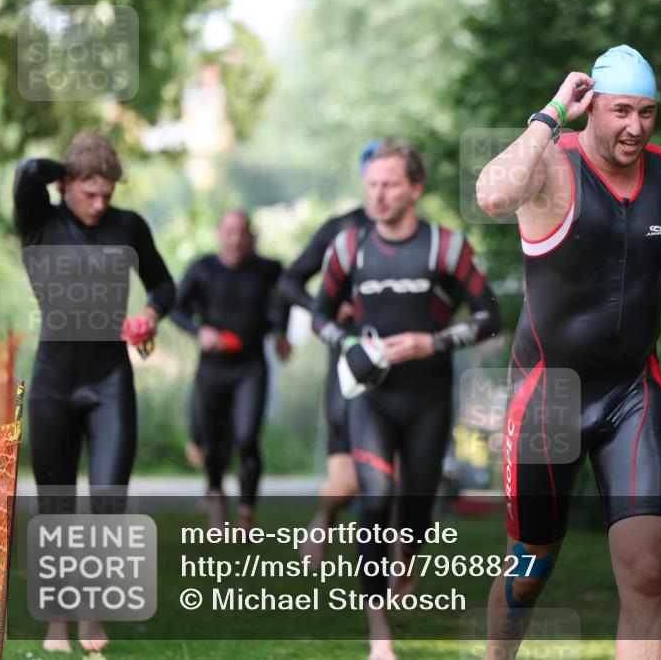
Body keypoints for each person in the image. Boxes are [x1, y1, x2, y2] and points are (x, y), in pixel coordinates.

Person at [475, 45, 661, 659]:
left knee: (645, 573)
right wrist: (551, 112)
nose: (635, 128)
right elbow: (490, 197)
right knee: (531, 568)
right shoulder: (552, 167)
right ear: (591, 108)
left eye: (647, 113)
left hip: (633, 394)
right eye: (621, 112)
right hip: (550, 397)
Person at [313, 138, 501, 660]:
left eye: (390, 184)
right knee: (374, 502)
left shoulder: (446, 247)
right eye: (372, 184)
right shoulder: (348, 248)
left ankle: (410, 549)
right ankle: (380, 638)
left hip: (429, 398)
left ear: (415, 188)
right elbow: (319, 316)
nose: (378, 194)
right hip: (372, 399)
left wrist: (433, 342)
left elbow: (490, 318)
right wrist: (352, 346)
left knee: (414, 512)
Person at [14, 130, 176, 654]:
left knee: (109, 501)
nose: (100, 204)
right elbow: (26, 173)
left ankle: (91, 618)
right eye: (90, 192)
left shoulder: (128, 226)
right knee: (55, 505)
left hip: (110, 381)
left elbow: (164, 284)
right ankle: (57, 623)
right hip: (53, 381)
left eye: (107, 194)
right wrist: (65, 167)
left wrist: (150, 314)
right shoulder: (40, 222)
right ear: (66, 186)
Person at [278, 142, 376, 568]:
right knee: (347, 482)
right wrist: (329, 308)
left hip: (404, 368)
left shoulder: (423, 237)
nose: (385, 192)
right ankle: (324, 519)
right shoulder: (340, 229)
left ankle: (390, 567)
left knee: (395, 476)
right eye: (377, 180)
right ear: (365, 179)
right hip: (349, 365)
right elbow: (289, 282)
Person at [171, 211, 292, 530]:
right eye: (229, 232)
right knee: (213, 441)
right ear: (219, 234)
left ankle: (246, 513)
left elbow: (284, 300)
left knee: (247, 438)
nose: (236, 239)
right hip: (213, 369)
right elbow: (177, 309)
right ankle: (215, 492)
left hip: (251, 368)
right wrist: (201, 333)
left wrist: (281, 332)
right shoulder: (202, 269)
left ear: (252, 237)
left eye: (242, 233)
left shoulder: (269, 269)